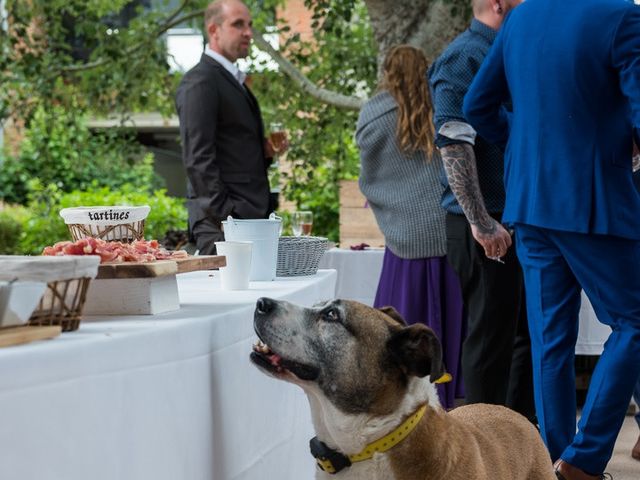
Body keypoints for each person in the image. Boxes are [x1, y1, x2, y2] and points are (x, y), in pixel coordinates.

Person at [462, 0, 640, 478]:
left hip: (530, 202)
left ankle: (554, 460)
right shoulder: (622, 15)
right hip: (594, 198)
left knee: (550, 340)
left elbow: (477, 104)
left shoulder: (521, 17)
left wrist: (523, 145)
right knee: (634, 320)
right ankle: (582, 460)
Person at [428, 0, 535, 421]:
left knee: (523, 339)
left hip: (515, 219)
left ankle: (523, 440)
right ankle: (483, 447)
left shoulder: (511, 51)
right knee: (491, 342)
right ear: (496, 3)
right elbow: (453, 143)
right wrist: (481, 221)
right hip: (481, 223)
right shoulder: (463, 57)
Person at [355, 45, 465, 410]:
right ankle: (453, 398)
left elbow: (370, 178)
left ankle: (404, 404)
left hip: (404, 245)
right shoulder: (444, 104)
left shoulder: (374, 115)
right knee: (454, 329)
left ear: (386, 73)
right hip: (446, 233)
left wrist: (389, 203)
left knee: (399, 333)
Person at [176, 0, 283, 255]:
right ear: (214, 30)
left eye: (249, 25)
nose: (248, 32)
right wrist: (226, 215)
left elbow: (230, 150)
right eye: (238, 24)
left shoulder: (232, 79)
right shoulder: (200, 82)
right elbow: (198, 159)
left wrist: (264, 152)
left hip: (249, 219)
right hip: (223, 227)